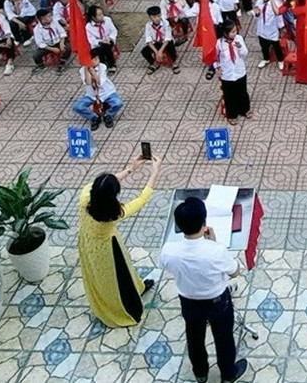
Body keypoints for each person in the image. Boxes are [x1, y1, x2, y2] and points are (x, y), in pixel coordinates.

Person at [157, 197, 248, 383]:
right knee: (224, 338)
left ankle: (200, 373)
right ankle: (228, 374)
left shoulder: (169, 250)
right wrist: (213, 244)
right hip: (217, 301)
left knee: (194, 338)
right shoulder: (216, 251)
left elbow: (163, 264)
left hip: (189, 302)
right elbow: (234, 272)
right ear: (204, 223)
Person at [77, 154, 160, 328]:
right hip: (107, 251)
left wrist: (131, 168)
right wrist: (154, 172)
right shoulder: (113, 213)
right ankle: (129, 312)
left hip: (87, 242)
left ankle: (139, 289)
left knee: (105, 277)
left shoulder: (85, 195)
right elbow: (142, 199)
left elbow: (107, 184)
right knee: (118, 280)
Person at [73, 53, 123, 130]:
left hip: (106, 93)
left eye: (97, 58)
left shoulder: (102, 67)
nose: (97, 61)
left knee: (118, 103)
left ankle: (108, 115)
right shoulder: (82, 70)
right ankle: (94, 117)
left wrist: (93, 72)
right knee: (77, 107)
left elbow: (100, 83)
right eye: (94, 59)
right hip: (91, 95)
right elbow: (88, 82)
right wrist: (87, 69)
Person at [215, 20, 251, 123]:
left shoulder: (239, 39)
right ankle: (232, 114)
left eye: (236, 31)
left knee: (242, 92)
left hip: (239, 72)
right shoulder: (219, 43)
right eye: (232, 32)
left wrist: (239, 46)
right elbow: (216, 58)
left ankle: (245, 109)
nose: (235, 33)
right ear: (226, 33)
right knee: (229, 95)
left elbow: (245, 53)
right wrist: (217, 67)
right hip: (227, 74)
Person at [141, 6, 179, 74]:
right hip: (156, 42)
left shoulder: (165, 23)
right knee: (144, 51)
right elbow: (148, 40)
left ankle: (174, 63)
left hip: (165, 42)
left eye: (158, 16)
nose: (157, 19)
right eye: (154, 17)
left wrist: (160, 51)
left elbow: (167, 38)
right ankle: (154, 63)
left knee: (171, 46)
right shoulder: (148, 25)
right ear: (150, 17)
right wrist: (156, 52)